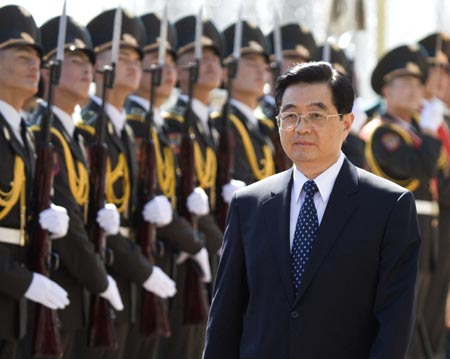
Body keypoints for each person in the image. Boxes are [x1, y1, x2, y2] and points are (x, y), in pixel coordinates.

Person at [204, 61, 420, 359]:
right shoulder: (250, 204)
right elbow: (225, 314)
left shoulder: (388, 206)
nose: (301, 127)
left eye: (316, 115)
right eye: (290, 115)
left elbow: (394, 322)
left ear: (346, 123)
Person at [78, 8, 176, 359]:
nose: (134, 64)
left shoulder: (122, 130)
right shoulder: (89, 128)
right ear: (96, 66)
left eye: (137, 56)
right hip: (102, 273)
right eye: (120, 56)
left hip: (130, 269)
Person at [30, 15, 125, 359]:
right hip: (55, 287)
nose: (88, 70)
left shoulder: (72, 134)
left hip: (73, 294)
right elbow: (68, 225)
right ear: (48, 70)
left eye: (89, 61)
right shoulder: (44, 133)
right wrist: (101, 280)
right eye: (75, 61)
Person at [124, 12, 207, 359]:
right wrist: (195, 241)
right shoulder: (133, 125)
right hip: (136, 261)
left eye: (172, 62)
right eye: (156, 61)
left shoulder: (155, 126)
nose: (168, 70)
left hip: (165, 256)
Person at [361, 44, 442, 359]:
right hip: (404, 231)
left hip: (426, 232)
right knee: (401, 322)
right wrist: (431, 133)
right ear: (385, 89)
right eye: (404, 82)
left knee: (420, 319)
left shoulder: (415, 134)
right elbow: (418, 168)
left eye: (417, 83)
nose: (414, 90)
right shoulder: (382, 133)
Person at [0, 5, 70, 359]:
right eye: (22, 55)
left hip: (16, 307)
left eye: (37, 59)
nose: (35, 67)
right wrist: (24, 281)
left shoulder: (25, 133)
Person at [419, 32, 450, 358]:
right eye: (433, 68)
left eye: (445, 69)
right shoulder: (421, 120)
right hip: (429, 219)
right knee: (423, 310)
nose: (440, 77)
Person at [215, 20, 275, 185]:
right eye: (250, 62)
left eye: (263, 65)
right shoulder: (221, 122)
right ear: (227, 73)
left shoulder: (262, 125)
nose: (260, 70)